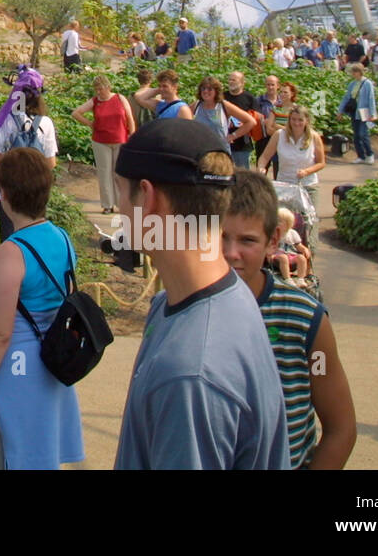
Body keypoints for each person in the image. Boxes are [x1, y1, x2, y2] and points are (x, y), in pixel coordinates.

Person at [112, 119, 289, 469]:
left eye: (120, 189)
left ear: (146, 197)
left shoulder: (190, 372)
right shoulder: (223, 296)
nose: (118, 207)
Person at [0, 146, 84, 470]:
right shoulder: (62, 237)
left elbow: (0, 334)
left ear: (5, 192)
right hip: (48, 363)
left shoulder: (13, 251)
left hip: (12, 368)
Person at [223, 171, 356, 468]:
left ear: (273, 242)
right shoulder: (183, 308)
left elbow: (340, 428)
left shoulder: (306, 321)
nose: (231, 253)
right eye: (221, 237)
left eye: (247, 240)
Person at [0, 85, 59, 241]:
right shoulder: (45, 123)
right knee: (34, 241)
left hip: (6, 190)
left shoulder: (4, 121)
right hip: (35, 190)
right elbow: (51, 162)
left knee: (10, 240)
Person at [71, 74, 135, 214]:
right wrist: (90, 124)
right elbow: (76, 113)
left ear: (108, 87)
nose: (99, 92)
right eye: (96, 90)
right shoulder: (95, 101)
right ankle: (107, 204)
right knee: (104, 173)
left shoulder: (119, 98)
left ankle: (121, 204)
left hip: (120, 139)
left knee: (118, 173)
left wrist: (132, 135)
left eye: (101, 89)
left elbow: (129, 117)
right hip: (101, 141)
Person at [256, 105, 326, 208]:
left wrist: (307, 171)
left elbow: (321, 163)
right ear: (289, 120)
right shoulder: (279, 135)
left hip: (307, 185)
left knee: (308, 221)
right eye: (293, 119)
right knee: (284, 220)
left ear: (307, 120)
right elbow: (264, 157)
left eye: (300, 120)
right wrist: (261, 167)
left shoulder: (314, 136)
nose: (296, 123)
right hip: (284, 185)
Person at [189, 75, 255, 154]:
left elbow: (251, 122)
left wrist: (232, 136)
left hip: (220, 152)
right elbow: (182, 121)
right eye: (203, 88)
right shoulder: (196, 105)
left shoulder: (224, 106)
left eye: (210, 89)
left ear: (216, 91)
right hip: (200, 151)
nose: (206, 91)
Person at [341, 63, 377, 165]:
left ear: (359, 72)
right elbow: (347, 98)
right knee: (356, 135)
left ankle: (369, 154)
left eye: (354, 71)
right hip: (354, 111)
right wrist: (340, 111)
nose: (353, 73)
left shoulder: (367, 83)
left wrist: (373, 113)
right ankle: (360, 156)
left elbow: (371, 99)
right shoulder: (352, 84)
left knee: (363, 134)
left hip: (364, 111)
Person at [223, 71, 259, 169]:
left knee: (242, 175)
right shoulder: (222, 97)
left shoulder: (249, 98)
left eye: (234, 80)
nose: (231, 82)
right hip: (223, 142)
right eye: (229, 79)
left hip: (242, 144)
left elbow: (257, 119)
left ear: (242, 83)